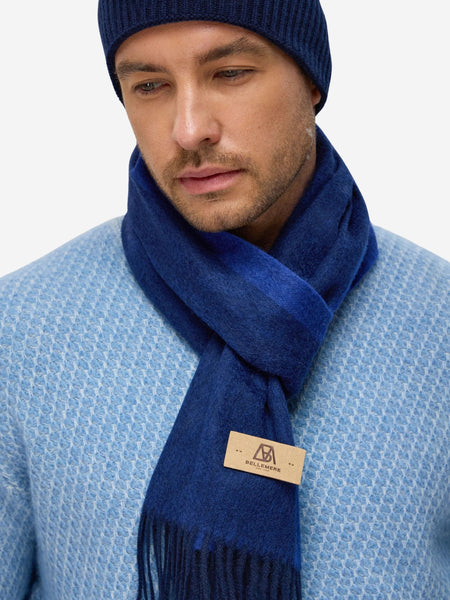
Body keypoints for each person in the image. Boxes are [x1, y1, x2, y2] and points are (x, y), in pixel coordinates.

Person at [0, 1, 448, 599]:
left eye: (230, 73)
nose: (189, 130)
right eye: (150, 85)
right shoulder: (20, 328)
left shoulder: (440, 321)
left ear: (312, 81)